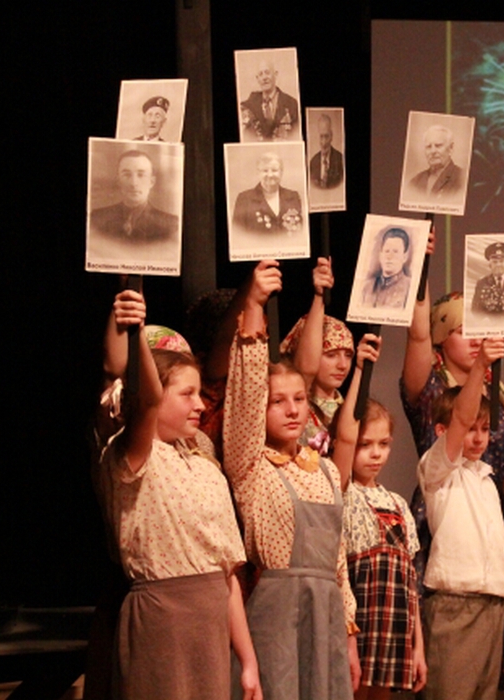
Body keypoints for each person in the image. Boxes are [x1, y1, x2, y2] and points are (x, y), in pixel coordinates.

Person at [96, 289, 261, 700]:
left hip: (209, 626)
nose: (200, 405)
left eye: (200, 393)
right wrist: (135, 329)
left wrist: (248, 661)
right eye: (186, 394)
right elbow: (145, 399)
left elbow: (225, 575)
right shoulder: (134, 455)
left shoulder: (204, 464)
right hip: (162, 621)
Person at [223, 259, 361, 699]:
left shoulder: (326, 470)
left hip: (326, 615)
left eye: (299, 399)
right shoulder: (251, 465)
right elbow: (244, 394)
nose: (292, 410)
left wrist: (349, 635)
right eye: (277, 401)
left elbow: (338, 561)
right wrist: (254, 306)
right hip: (276, 615)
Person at [417, 337, 504, 700]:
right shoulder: (438, 470)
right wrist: (481, 364)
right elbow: (461, 416)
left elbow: (496, 558)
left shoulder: (487, 481)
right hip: (455, 606)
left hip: (492, 606)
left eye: (485, 429)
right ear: (443, 432)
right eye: (471, 429)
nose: (479, 437)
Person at [333, 364, 428, 698]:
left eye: (384, 443)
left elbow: (411, 585)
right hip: (358, 621)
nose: (376, 453)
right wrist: (361, 369)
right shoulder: (342, 491)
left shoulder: (398, 503)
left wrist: (418, 648)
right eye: (365, 445)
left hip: (395, 626)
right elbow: (345, 437)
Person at [282, 257, 354, 454]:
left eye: (348, 355)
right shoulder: (297, 406)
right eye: (331, 355)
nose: (342, 365)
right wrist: (319, 297)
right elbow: (306, 368)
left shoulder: (349, 409)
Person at [89, 150, 178, 244]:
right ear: (118, 181)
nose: (133, 183)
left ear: (151, 182)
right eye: (126, 175)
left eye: (141, 175)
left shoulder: (171, 224)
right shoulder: (97, 218)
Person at [231, 152, 303, 235]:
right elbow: (237, 235)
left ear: (281, 172)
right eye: (265, 171)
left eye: (274, 170)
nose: (270, 175)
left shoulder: (293, 197)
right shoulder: (244, 199)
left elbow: (300, 231)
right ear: (258, 173)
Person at [241, 59, 299, 141]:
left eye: (267, 72)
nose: (264, 77)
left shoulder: (291, 104)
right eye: (261, 74)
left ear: (275, 74)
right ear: (257, 79)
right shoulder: (249, 105)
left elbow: (296, 138)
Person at [408, 125, 464, 200]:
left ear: (451, 148)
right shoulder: (415, 182)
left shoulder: (462, 179)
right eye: (428, 147)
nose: (433, 151)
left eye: (438, 146)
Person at [362, 227, 412, 310]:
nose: (389, 257)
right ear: (380, 255)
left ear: (404, 257)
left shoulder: (410, 287)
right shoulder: (367, 287)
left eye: (395, 251)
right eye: (387, 251)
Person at [471, 242, 504, 315]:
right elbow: (475, 309)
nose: (498, 264)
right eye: (495, 262)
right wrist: (485, 319)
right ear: (489, 265)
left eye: (501, 261)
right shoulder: (481, 283)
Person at [310, 113, 344, 189]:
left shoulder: (341, 160)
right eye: (321, 136)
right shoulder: (313, 162)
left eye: (326, 136)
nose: (324, 142)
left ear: (331, 136)